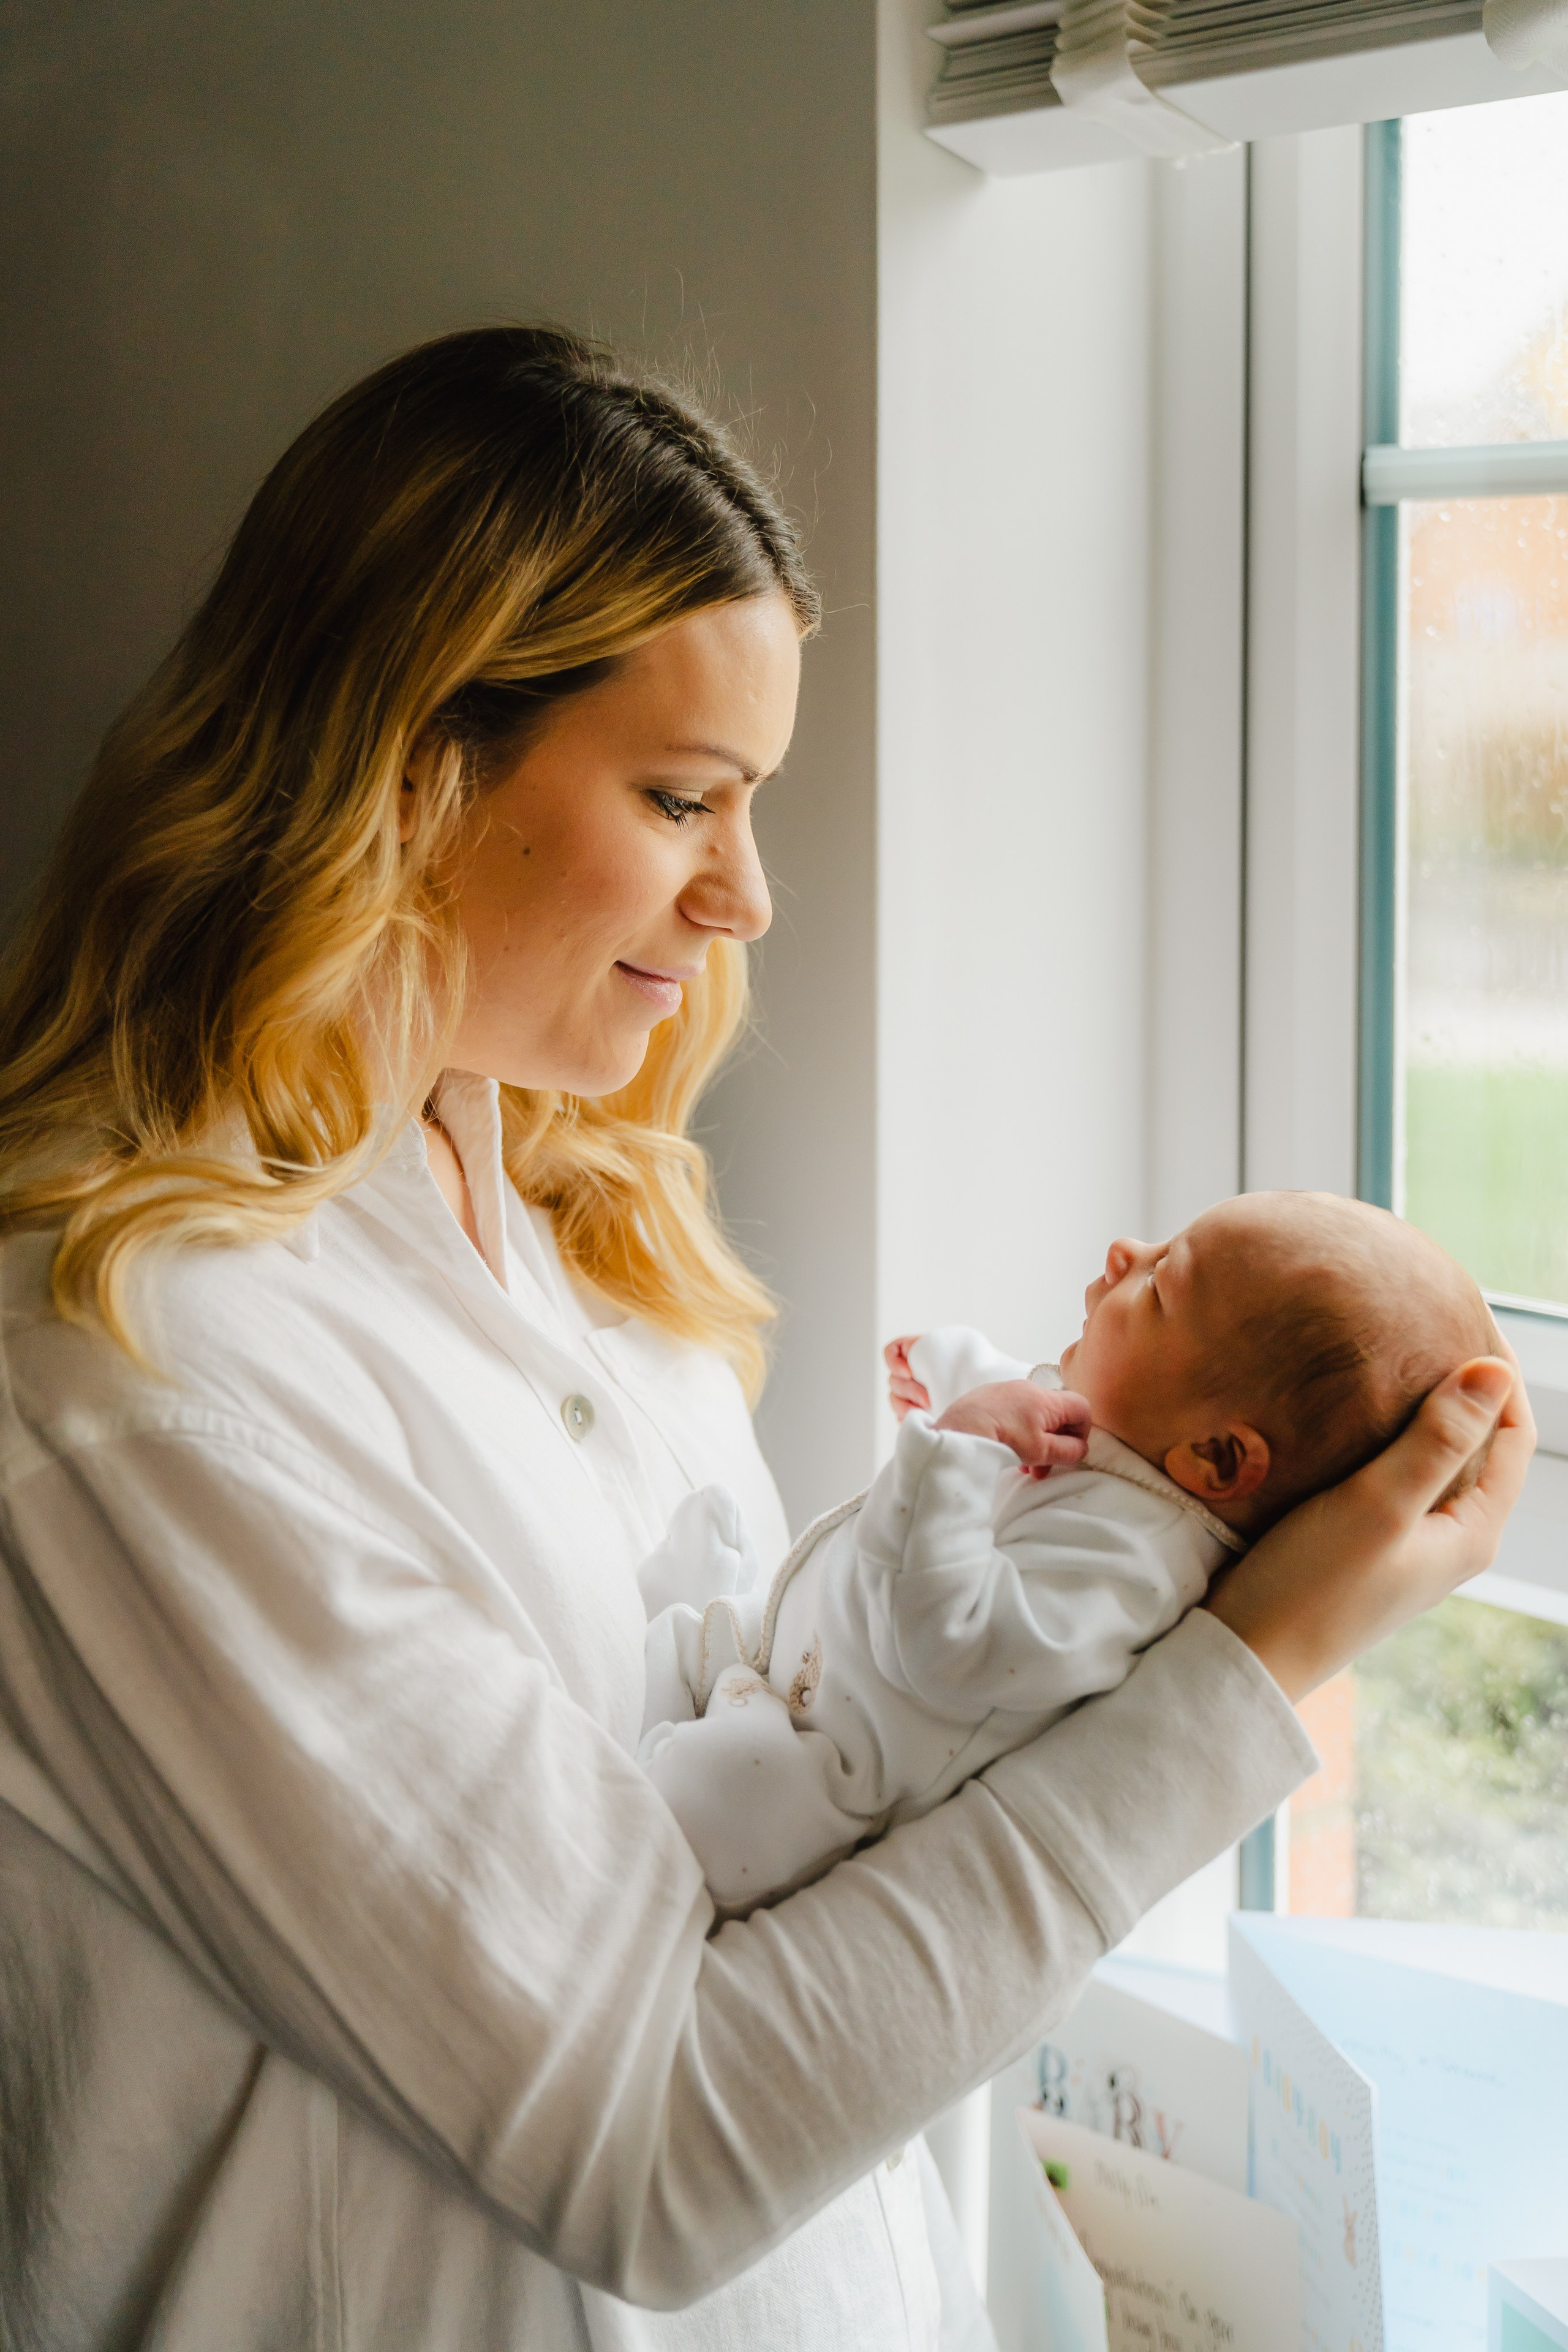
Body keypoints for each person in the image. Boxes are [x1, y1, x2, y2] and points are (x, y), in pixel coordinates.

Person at [0, 325, 1531, 2352]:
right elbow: (652, 2139)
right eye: (682, 799)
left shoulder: (556, 1213)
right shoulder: (140, 1384)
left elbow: (779, 1828)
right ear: (406, 757)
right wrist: (1257, 1669)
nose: (746, 898)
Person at [635, 1194, 1498, 1912]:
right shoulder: (1137, 1444)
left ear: (1221, 1459)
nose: (1127, 1252)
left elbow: (955, 1647)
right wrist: (958, 1370)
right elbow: (1037, 1394)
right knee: (704, 1640)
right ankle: (710, 1647)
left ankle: (662, 1765)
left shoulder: (1135, 1566)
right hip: (809, 1664)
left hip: (831, 1767)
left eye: (1162, 1285)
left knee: (727, 1804)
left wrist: (960, 1446)